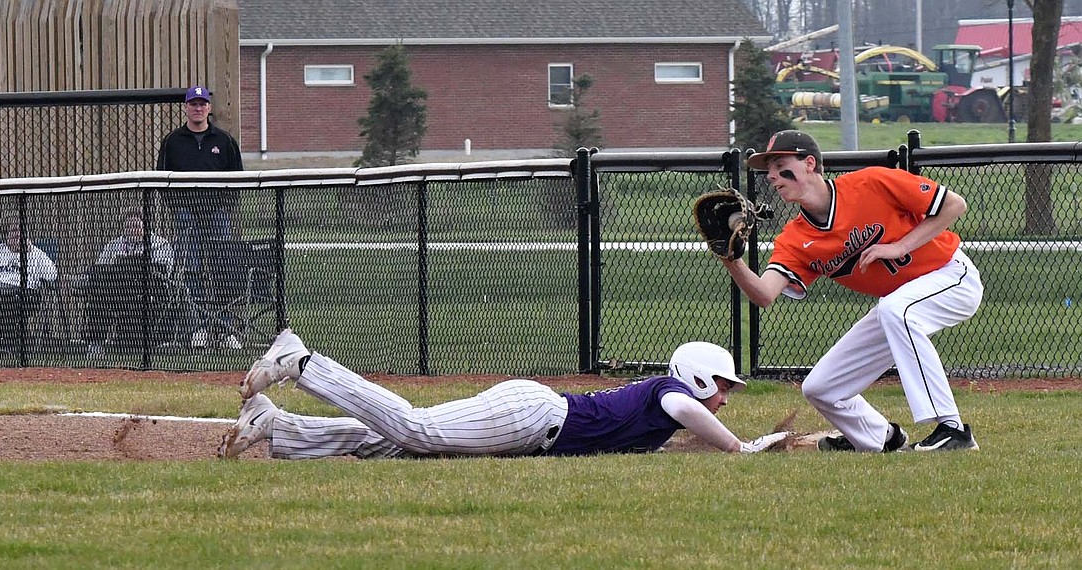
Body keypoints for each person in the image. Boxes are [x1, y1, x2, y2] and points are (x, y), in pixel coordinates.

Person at [728, 129, 983, 452]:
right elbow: (764, 294)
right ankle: (882, 437)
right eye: (770, 171)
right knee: (820, 387)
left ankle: (953, 430)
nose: (773, 176)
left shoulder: (872, 183)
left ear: (810, 163)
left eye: (780, 165)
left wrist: (899, 246)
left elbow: (953, 205)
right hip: (901, 304)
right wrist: (731, 259)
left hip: (950, 275)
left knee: (895, 310)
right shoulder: (796, 238)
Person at [218, 329, 790, 460]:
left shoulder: (665, 408)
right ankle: (301, 361)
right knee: (416, 429)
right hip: (533, 416)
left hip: (533, 418)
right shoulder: (672, 392)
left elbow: (684, 425)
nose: (725, 397)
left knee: (398, 446)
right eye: (723, 385)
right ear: (694, 376)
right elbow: (687, 409)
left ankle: (278, 428)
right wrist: (739, 450)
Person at [156, 84, 244, 350]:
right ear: (186, 108)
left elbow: (238, 178)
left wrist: (224, 207)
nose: (197, 108)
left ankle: (226, 328)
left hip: (217, 214)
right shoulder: (172, 141)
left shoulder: (224, 140)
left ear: (208, 108)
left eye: (201, 104)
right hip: (186, 216)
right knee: (192, 271)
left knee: (221, 270)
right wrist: (177, 208)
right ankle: (199, 328)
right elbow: (162, 179)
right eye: (192, 104)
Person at [80, 211, 175, 354]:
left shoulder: (160, 245)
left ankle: (150, 343)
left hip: (148, 292)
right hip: (118, 292)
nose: (132, 229)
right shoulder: (114, 245)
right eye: (128, 226)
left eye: (136, 226)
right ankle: (96, 344)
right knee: (97, 300)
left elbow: (164, 271)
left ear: (145, 227)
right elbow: (100, 268)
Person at [0, 223, 58, 348]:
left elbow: (52, 275)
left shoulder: (36, 254)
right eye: (13, 231)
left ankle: (9, 344)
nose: (17, 234)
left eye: (21, 231)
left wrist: (32, 249)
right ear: (6, 236)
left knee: (10, 299)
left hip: (26, 293)